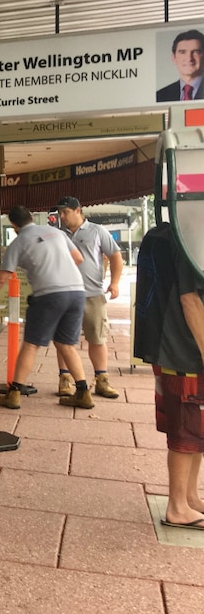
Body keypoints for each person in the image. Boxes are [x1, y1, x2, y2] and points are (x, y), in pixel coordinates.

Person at [0, 205, 92, 410]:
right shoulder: (57, 233)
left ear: (14, 225)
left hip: (49, 295)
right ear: (32, 217)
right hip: (77, 292)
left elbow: (2, 277)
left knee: (32, 344)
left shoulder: (18, 242)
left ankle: (14, 393)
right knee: (66, 344)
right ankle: (83, 392)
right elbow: (78, 258)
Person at [134, 222, 204, 529]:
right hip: (184, 351)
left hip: (174, 347)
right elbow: (190, 300)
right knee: (187, 429)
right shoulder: (190, 239)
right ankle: (178, 506)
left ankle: (190, 496)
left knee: (197, 429)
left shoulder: (175, 233)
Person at [54, 196, 124, 399]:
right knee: (64, 340)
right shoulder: (58, 234)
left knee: (97, 337)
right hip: (64, 294)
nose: (62, 216)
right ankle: (65, 378)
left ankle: (102, 380)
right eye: (60, 213)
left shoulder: (97, 231)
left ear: (78, 211)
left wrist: (115, 282)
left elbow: (115, 256)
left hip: (92, 294)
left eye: (65, 212)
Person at [156, 29, 204, 102]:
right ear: (174, 58)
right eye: (182, 52)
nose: (189, 58)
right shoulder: (160, 95)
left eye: (196, 52)